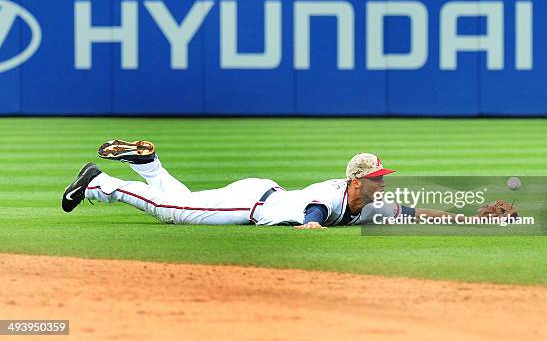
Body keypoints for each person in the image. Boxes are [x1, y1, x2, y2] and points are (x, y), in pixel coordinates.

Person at [61, 140, 458, 229]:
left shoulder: (373, 204)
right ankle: (101, 184)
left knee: (182, 200)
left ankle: (148, 164)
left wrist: (470, 215)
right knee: (174, 211)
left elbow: (415, 212)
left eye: (381, 178)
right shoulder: (331, 193)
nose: (381, 185)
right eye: (375, 180)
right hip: (251, 204)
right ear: (357, 181)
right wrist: (313, 226)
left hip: (260, 191)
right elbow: (314, 213)